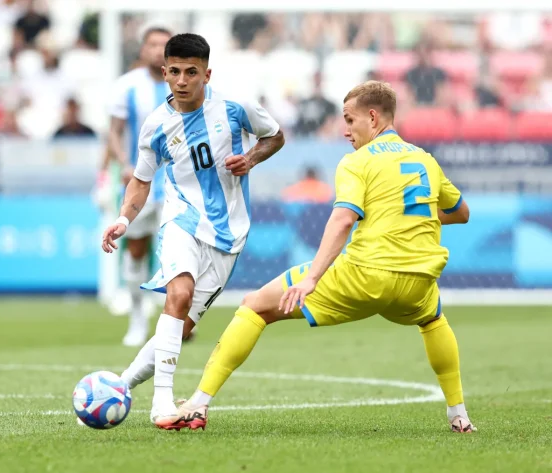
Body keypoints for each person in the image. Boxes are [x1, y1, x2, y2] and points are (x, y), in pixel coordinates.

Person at [172, 80, 476, 434]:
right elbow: (461, 212)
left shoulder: (356, 162)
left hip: (364, 274)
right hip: (417, 282)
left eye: (349, 120)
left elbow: (342, 219)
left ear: (373, 118)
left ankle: (197, 404)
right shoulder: (425, 159)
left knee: (255, 306)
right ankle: (459, 415)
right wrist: (405, 215)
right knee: (433, 321)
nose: (345, 130)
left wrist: (312, 278)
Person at [101, 33, 284, 427]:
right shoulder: (156, 125)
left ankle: (119, 387)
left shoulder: (235, 107)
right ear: (165, 72)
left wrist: (251, 158)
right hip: (180, 219)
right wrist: (122, 219)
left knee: (179, 327)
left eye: (191, 72)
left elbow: (275, 135)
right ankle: (162, 404)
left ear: (206, 73)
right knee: (178, 294)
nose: (182, 80)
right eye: (175, 72)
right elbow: (141, 180)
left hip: (229, 233)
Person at [100, 26, 172, 347]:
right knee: (137, 249)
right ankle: (138, 318)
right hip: (139, 183)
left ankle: (178, 319)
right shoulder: (127, 87)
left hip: (176, 187)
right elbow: (114, 132)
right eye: (152, 44)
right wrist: (122, 164)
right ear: (143, 49)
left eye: (164, 45)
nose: (158, 50)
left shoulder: (183, 84)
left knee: (178, 253)